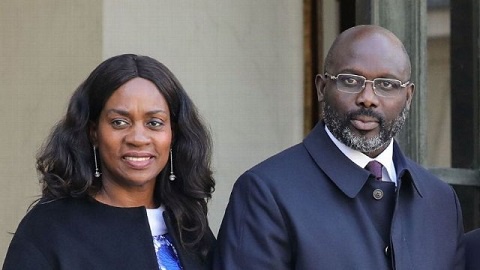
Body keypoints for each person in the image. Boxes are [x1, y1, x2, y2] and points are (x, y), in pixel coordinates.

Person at [214, 25, 464, 269]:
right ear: (322, 88)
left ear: (408, 97)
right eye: (350, 80)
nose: (367, 98)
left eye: (386, 84)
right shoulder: (265, 192)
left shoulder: (440, 200)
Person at [3, 54, 215, 270]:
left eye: (154, 123)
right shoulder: (49, 228)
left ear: (173, 134)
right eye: (119, 122)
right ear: (93, 132)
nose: (138, 139)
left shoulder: (189, 224)